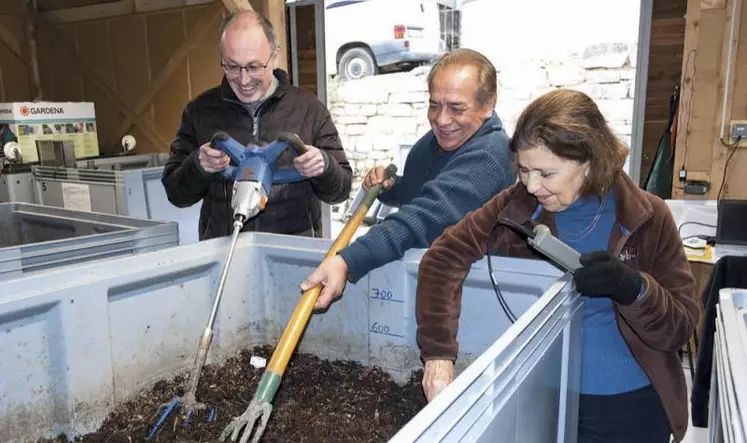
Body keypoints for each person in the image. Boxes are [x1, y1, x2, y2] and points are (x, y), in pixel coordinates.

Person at [415, 89, 698, 443]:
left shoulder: (648, 217)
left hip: (627, 407)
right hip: (539, 398)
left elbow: (682, 325)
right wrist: (438, 353)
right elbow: (442, 258)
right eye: (523, 170)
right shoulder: (515, 207)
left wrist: (634, 289)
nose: (532, 186)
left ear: (590, 163)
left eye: (546, 174)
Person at [301, 48, 514, 309]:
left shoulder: (489, 156)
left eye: (457, 108)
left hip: (473, 296)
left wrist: (348, 260)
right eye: (434, 105)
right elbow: (425, 192)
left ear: (488, 104)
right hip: (430, 278)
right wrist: (392, 188)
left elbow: (427, 216)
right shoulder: (437, 143)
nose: (442, 119)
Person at [162, 11, 352, 240]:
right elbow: (176, 194)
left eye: (253, 67)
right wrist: (197, 166)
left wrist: (324, 167)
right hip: (225, 252)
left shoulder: (309, 109)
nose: (243, 80)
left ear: (274, 57)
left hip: (291, 252)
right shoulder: (199, 112)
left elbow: (340, 191)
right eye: (231, 66)